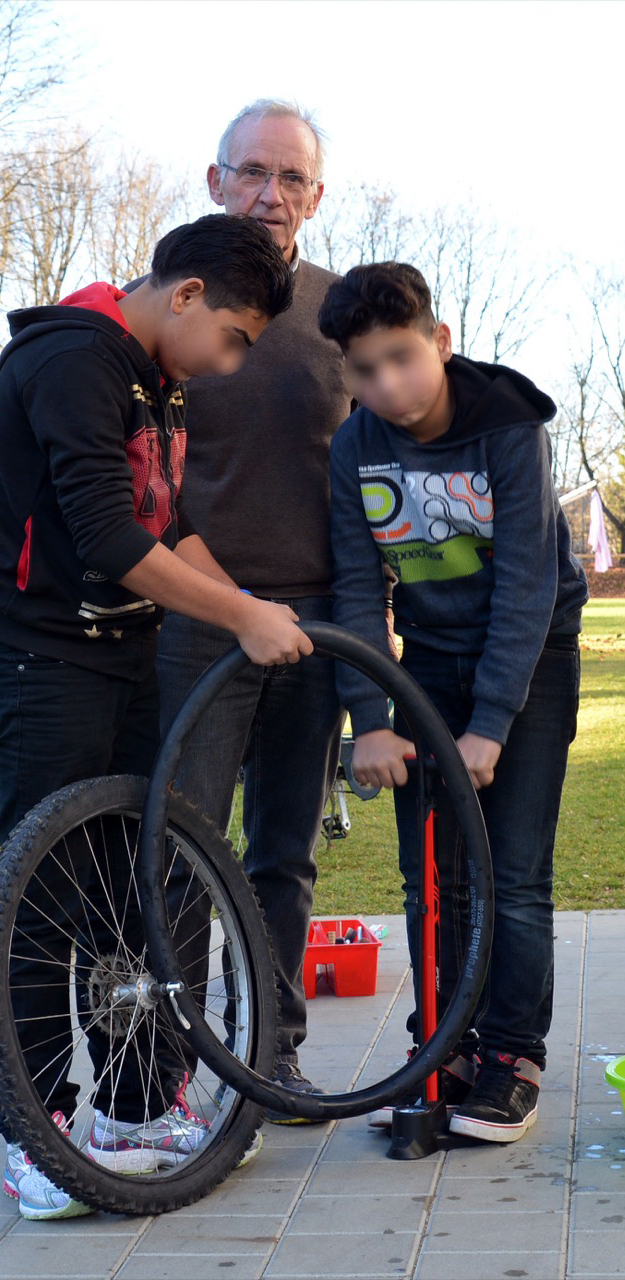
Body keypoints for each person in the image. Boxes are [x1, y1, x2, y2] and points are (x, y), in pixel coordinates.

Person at [0, 214, 313, 1220]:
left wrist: (253, 614)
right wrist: (241, 617)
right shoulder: (70, 360)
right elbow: (104, 529)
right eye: (230, 338)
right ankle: (29, 1131)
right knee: (35, 900)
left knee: (127, 887)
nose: (227, 365)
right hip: (40, 663)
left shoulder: (152, 378)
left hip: (126, 660)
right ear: (184, 297)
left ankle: (134, 1111)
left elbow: (167, 522)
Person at [319, 262, 587, 1143]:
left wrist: (489, 726)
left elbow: (524, 586)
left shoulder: (506, 425)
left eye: (400, 358)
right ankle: (445, 1043)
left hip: (529, 656)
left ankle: (511, 1055)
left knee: (510, 872)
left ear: (438, 342)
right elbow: (357, 589)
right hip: (426, 659)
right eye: (363, 369)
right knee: (430, 876)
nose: (386, 386)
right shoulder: (355, 447)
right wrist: (374, 719)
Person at [155, 101, 350, 1119]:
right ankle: (175, 1067)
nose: (270, 195)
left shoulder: (340, 314)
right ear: (214, 179)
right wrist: (223, 603)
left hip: (317, 622)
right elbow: (141, 482)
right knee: (183, 840)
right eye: (253, 173)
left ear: (315, 196)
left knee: (284, 852)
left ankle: (270, 1056)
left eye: (290, 179)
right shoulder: (176, 305)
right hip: (197, 618)